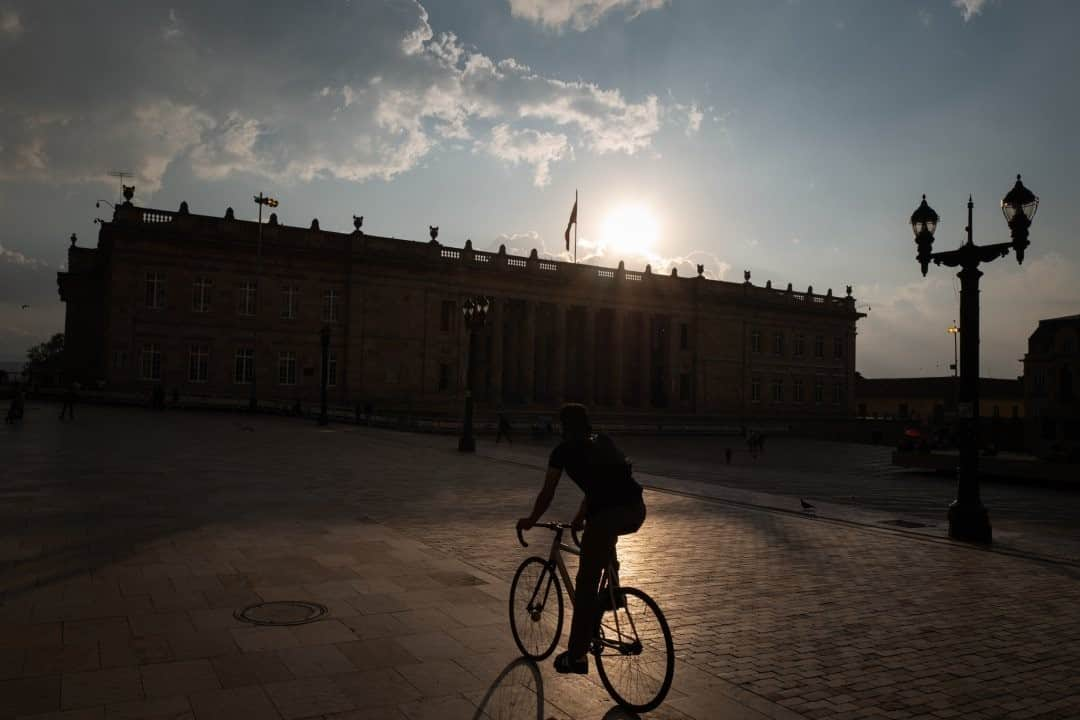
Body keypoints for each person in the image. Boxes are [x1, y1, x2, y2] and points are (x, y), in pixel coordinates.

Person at [516, 403, 646, 675]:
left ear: (564, 427)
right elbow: (604, 481)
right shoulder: (603, 440)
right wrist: (579, 516)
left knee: (585, 584)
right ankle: (612, 594)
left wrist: (530, 520)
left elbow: (547, 493)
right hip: (636, 509)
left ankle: (576, 657)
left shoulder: (563, 451)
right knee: (603, 544)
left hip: (608, 514)